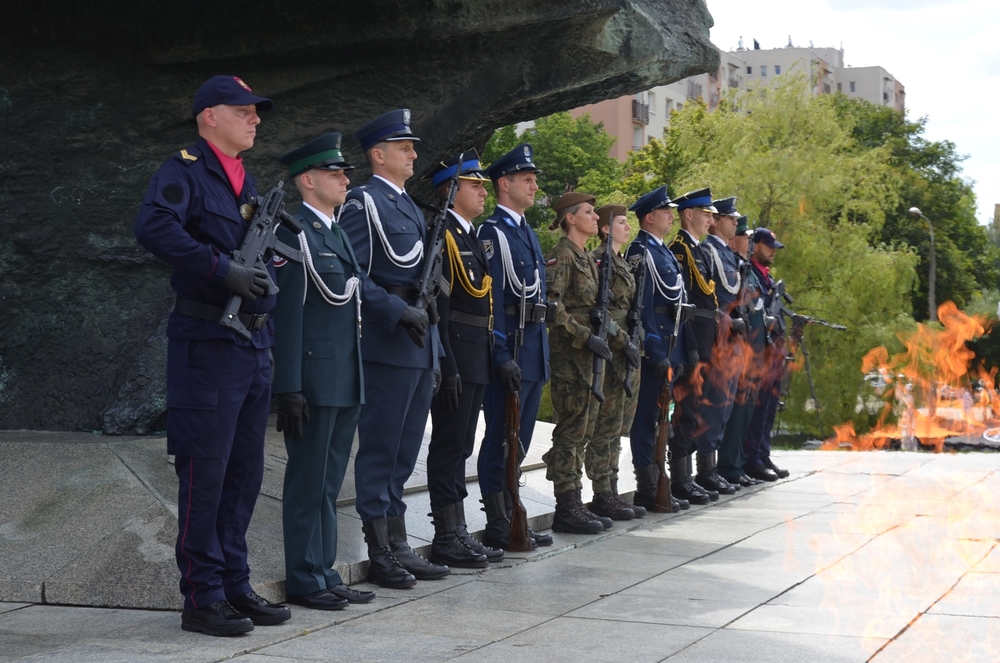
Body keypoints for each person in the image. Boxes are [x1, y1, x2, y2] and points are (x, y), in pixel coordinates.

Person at [134, 75, 290, 636]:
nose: (255, 119)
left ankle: (234, 585)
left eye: (256, 112)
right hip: (207, 345)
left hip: (252, 344)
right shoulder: (184, 171)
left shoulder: (245, 183)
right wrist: (223, 269)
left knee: (246, 474)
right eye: (243, 110)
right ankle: (201, 596)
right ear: (209, 117)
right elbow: (153, 227)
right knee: (207, 474)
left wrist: (266, 270)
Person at [338, 109, 448, 588]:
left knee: (405, 452)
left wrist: (436, 352)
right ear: (378, 155)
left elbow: (425, 286)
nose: (414, 154)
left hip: (420, 342)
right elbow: (353, 273)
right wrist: (394, 312)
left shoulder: (409, 206)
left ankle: (400, 541)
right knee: (381, 449)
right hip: (387, 340)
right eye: (404, 148)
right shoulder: (363, 203)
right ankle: (379, 548)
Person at [271, 133, 377, 611]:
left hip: (344, 378)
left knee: (331, 484)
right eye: (335, 174)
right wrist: (288, 387)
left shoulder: (333, 232)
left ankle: (325, 570)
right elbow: (288, 314)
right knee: (308, 482)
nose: (345, 180)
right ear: (308, 181)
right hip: (313, 380)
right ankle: (303, 577)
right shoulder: (293, 235)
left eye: (345, 173)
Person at [423, 150, 504, 568]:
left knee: (463, 445)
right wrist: (447, 362)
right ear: (452, 191)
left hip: (478, 355)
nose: (481, 192)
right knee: (450, 444)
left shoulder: (470, 235)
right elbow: (442, 305)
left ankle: (457, 530)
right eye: (474, 186)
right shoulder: (444, 236)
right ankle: (446, 534)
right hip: (457, 353)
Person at [476, 144, 553, 550]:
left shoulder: (526, 232)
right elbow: (494, 300)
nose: (534, 185)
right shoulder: (493, 234)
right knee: (501, 438)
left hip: (533, 347)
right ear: (504, 184)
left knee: (520, 440)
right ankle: (498, 519)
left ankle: (513, 508)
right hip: (511, 350)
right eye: (527, 179)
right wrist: (500, 353)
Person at [543, 192, 633, 534]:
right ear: (570, 218)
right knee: (571, 431)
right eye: (589, 212)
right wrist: (585, 335)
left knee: (586, 428)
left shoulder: (584, 258)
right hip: (572, 357)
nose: (596, 218)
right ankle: (566, 505)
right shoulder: (562, 256)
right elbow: (553, 308)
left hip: (590, 355)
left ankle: (578, 500)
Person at [624, 186, 693, 511]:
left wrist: (677, 352)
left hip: (670, 345)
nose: (671, 216)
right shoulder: (640, 251)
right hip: (654, 348)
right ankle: (647, 485)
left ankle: (659, 478)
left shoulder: (663, 251)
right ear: (649, 217)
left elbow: (676, 305)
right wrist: (654, 350)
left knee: (663, 417)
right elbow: (643, 308)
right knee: (646, 418)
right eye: (665, 211)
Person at [586, 204, 644, 521]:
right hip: (612, 348)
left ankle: (612, 486)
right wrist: (623, 341)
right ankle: (602, 492)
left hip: (628, 349)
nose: (627, 227)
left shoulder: (622, 262)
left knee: (618, 425)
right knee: (605, 426)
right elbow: (600, 310)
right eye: (621, 222)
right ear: (606, 229)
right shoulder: (601, 261)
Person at [667, 188, 726, 504]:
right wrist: (689, 348)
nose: (710, 219)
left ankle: (689, 476)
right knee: (685, 410)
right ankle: (680, 478)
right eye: (705, 213)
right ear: (688, 214)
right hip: (692, 341)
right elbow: (685, 304)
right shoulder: (680, 250)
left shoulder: (700, 251)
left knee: (698, 408)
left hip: (705, 341)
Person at [699, 196, 747, 493]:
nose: (735, 223)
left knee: (726, 406)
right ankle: (704, 470)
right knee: (714, 405)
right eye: (730, 218)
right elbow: (707, 296)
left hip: (733, 339)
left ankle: (712, 467)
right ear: (715, 222)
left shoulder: (728, 255)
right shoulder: (707, 251)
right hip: (719, 339)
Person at [718, 217, 766, 486]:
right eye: (745, 237)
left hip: (751, 346)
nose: (749, 243)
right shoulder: (731, 264)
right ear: (733, 239)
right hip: (736, 345)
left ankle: (737, 462)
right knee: (733, 409)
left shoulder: (743, 267)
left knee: (745, 408)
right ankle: (728, 465)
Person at [744, 227, 791, 481]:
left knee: (769, 406)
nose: (773, 251)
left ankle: (762, 453)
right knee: (757, 406)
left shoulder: (767, 278)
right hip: (757, 351)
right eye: (768, 246)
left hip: (772, 350)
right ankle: (752, 458)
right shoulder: (750, 274)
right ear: (755, 245)